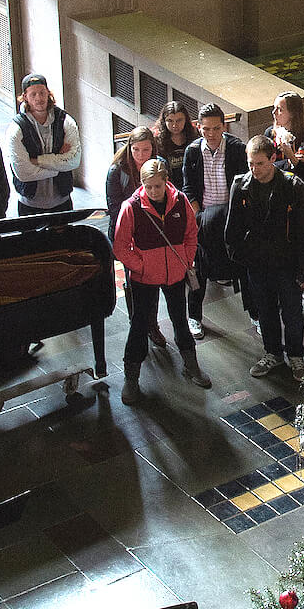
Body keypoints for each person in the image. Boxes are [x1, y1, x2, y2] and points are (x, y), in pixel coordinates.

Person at [114, 156, 210, 399]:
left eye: (158, 186)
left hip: (175, 273)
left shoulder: (181, 201)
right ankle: (131, 378)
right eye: (148, 187)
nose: (154, 192)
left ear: (166, 182)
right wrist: (141, 266)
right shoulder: (131, 207)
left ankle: (191, 365)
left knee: (180, 320)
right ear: (142, 184)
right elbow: (120, 246)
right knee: (139, 325)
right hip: (144, 277)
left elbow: (191, 234)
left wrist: (185, 261)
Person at [224, 133, 304, 381]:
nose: (254, 170)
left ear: (273, 159)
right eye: (251, 164)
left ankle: (296, 356)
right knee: (265, 312)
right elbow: (232, 229)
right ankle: (272, 353)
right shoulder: (241, 185)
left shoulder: (292, 187)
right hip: (257, 263)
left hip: (286, 262)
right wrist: (242, 258)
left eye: (260, 164)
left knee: (292, 313)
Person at [181, 103, 248, 336]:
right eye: (206, 129)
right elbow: (188, 188)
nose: (211, 134)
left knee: (243, 267)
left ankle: (256, 315)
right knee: (198, 270)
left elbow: (243, 184)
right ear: (198, 127)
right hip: (205, 218)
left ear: (224, 126)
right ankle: (194, 317)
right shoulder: (192, 151)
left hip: (231, 216)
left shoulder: (237, 148)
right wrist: (198, 216)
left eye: (216, 128)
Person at [270, 92, 304, 309]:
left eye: (280, 109)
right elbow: (270, 168)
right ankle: (287, 288)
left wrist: (291, 156)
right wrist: (292, 163)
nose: (274, 113)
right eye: (274, 108)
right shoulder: (270, 134)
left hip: (303, 201)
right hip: (279, 201)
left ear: (292, 113)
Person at [9, 71, 82, 216]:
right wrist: (58, 167)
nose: (39, 98)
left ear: (48, 93)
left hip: (62, 202)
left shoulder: (66, 121)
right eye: (33, 94)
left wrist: (36, 161)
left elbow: (74, 161)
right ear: (25, 97)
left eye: (42, 93)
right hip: (30, 204)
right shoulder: (16, 129)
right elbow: (23, 173)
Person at [105, 124, 157, 230]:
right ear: (130, 148)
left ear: (152, 148)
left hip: (153, 225)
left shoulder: (159, 165)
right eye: (136, 149)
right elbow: (114, 207)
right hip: (126, 224)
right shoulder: (117, 171)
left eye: (146, 150)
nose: (141, 155)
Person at [154, 100, 195, 168]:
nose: (174, 125)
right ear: (164, 121)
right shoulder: (157, 139)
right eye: (170, 121)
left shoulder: (194, 134)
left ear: (186, 120)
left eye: (179, 120)